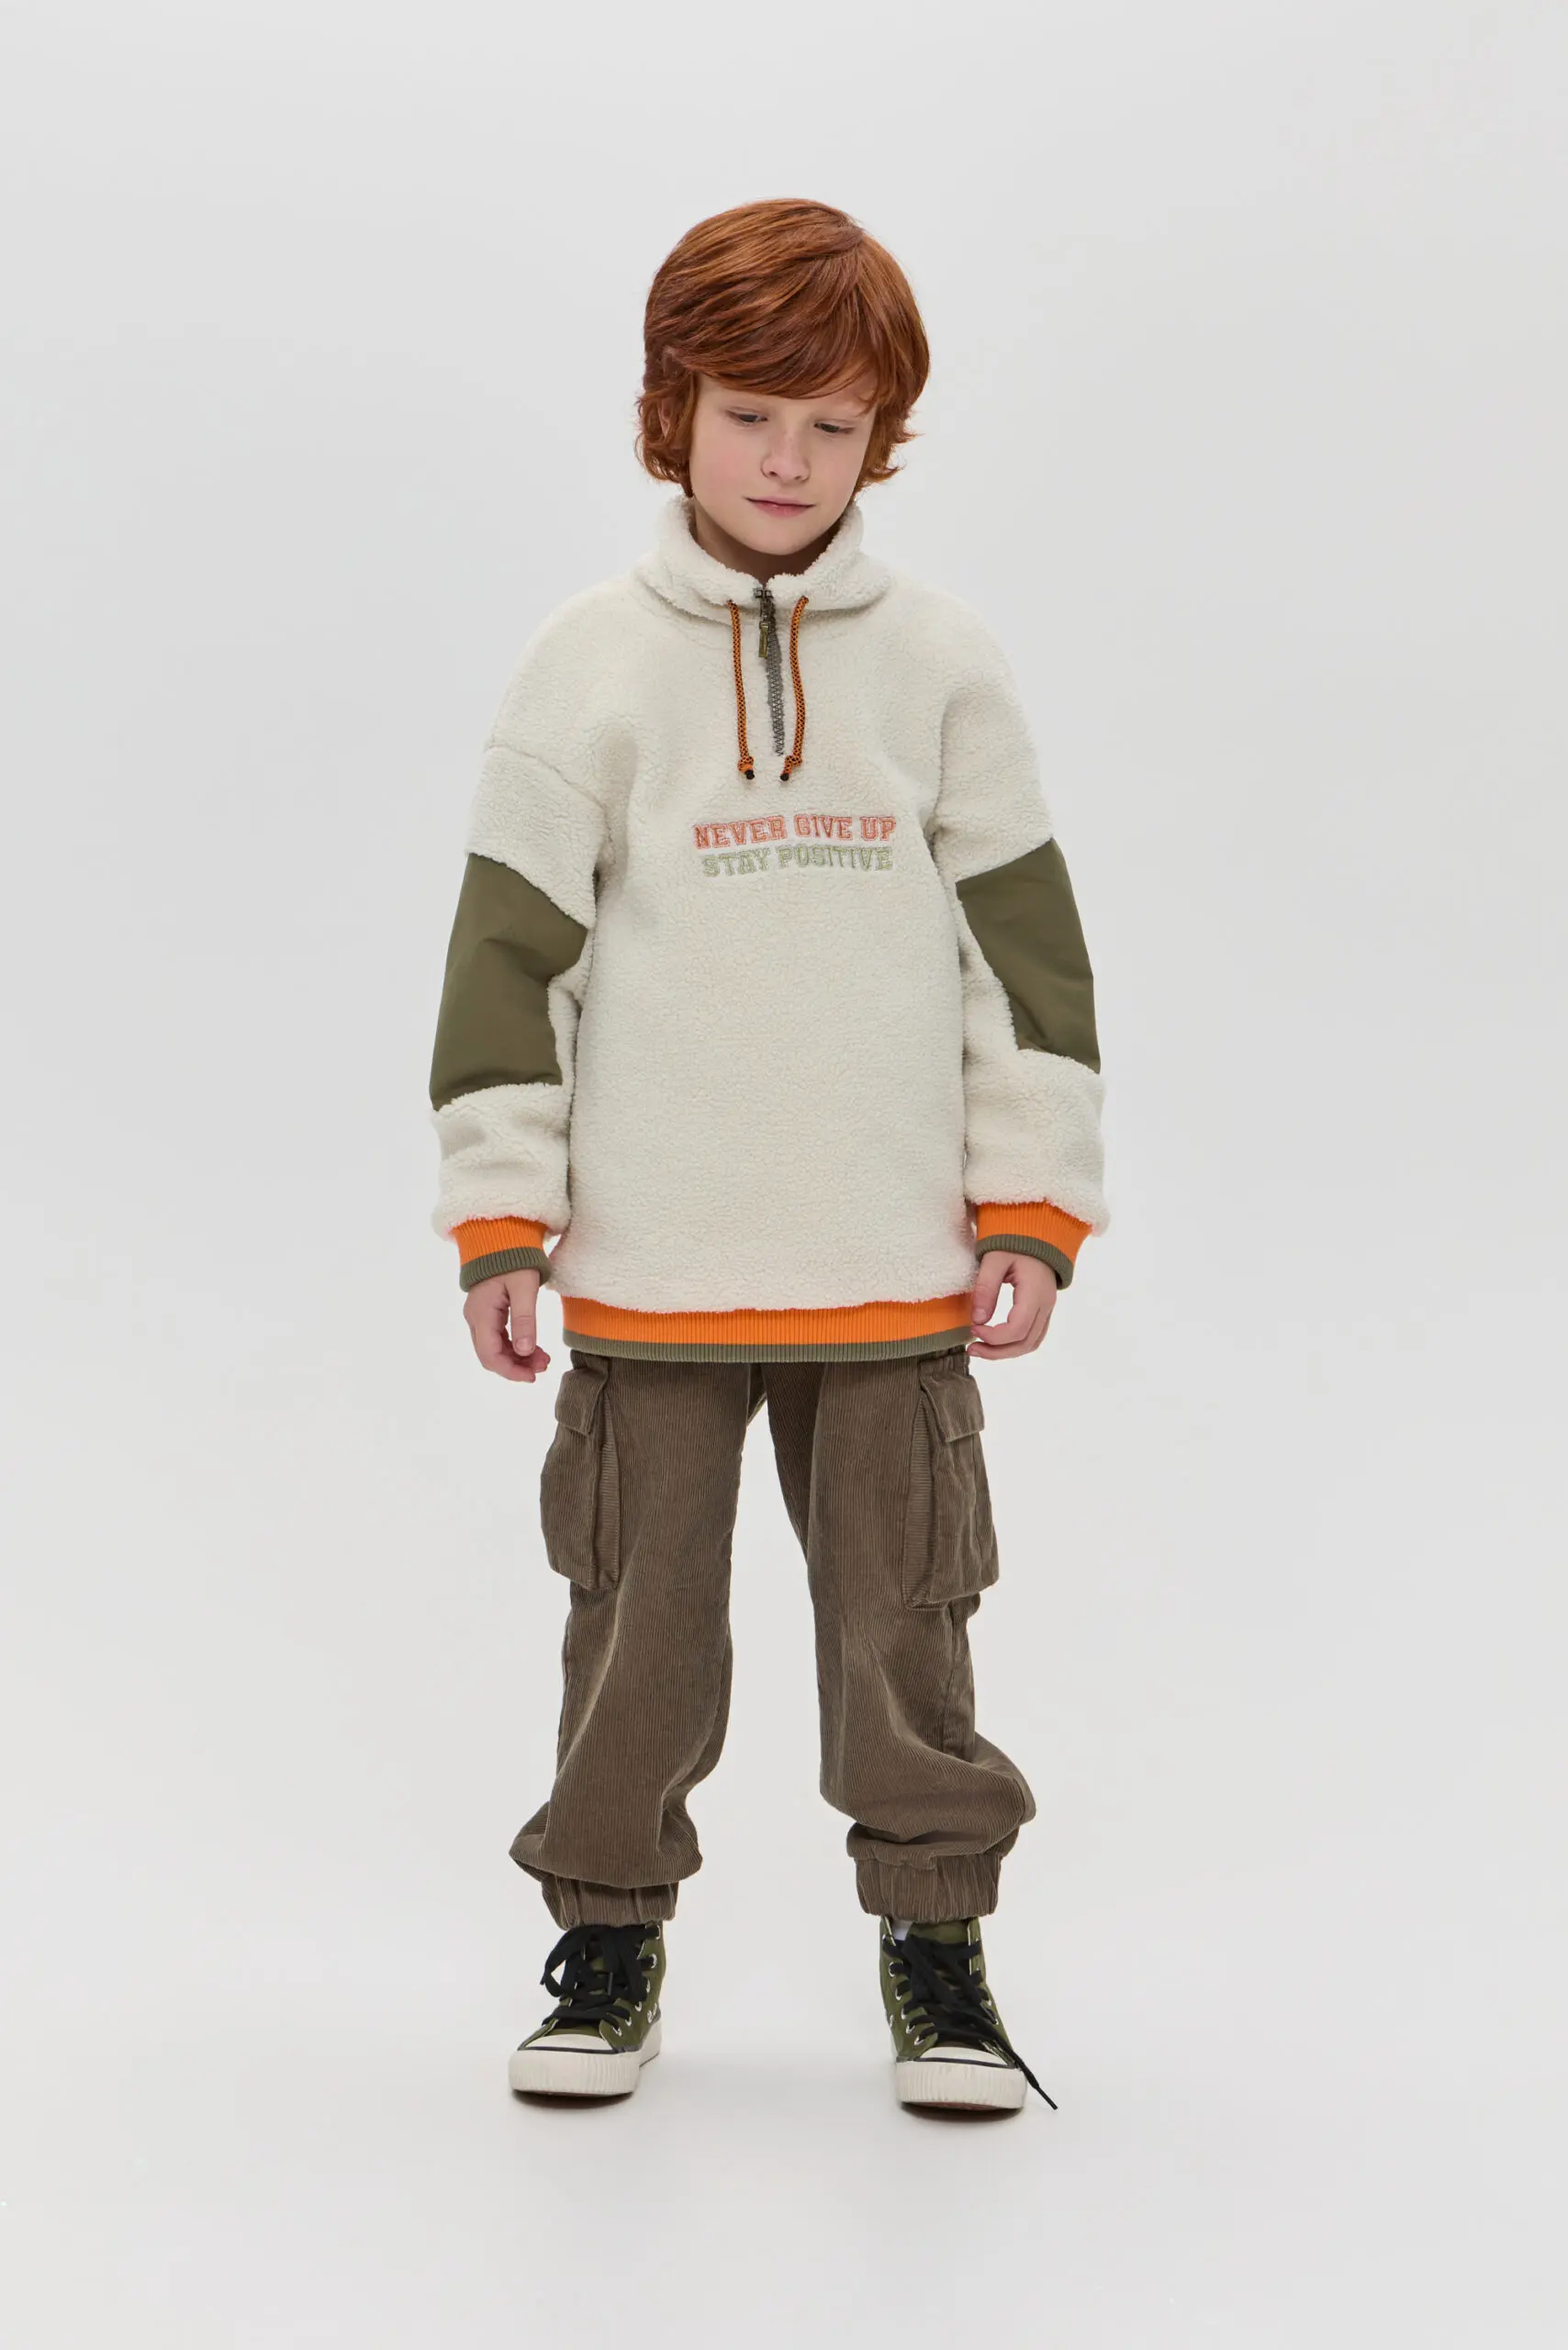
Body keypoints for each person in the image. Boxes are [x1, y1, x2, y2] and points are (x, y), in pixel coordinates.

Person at [426, 197, 1109, 2113]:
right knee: (636, 1632)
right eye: (749, 416)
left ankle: (937, 1952)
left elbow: (1023, 963)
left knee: (905, 1629)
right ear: (674, 412)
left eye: (831, 423)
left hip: (892, 1270)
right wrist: (501, 1217)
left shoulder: (942, 666)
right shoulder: (585, 667)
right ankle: (607, 1941)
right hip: (648, 1270)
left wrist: (1033, 1203)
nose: (789, 460)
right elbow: (509, 964)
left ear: (879, 433)